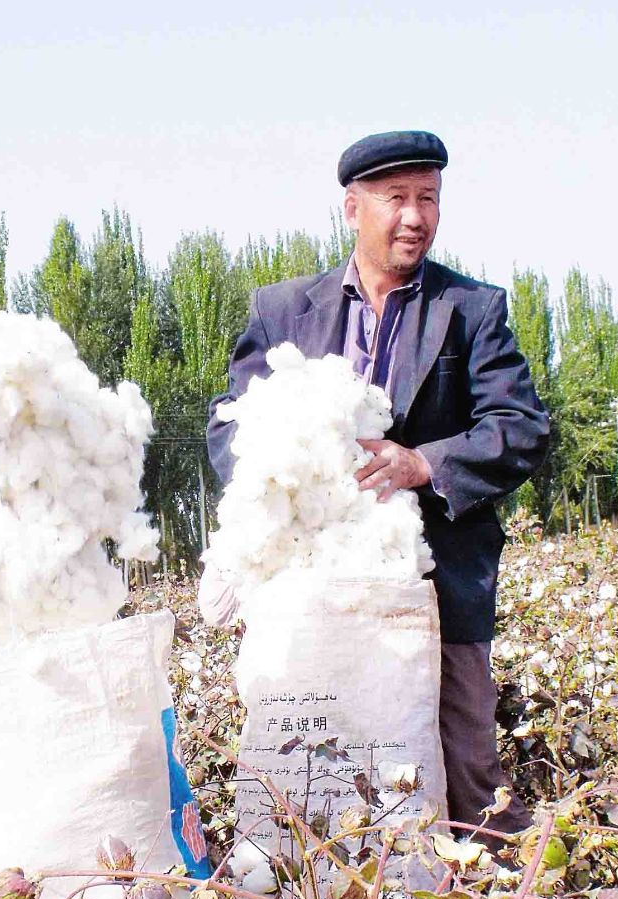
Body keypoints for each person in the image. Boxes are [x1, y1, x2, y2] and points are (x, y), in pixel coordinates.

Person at [206, 130, 551, 845]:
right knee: (314, 767)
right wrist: (288, 477)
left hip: (437, 583)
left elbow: (520, 427)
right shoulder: (282, 310)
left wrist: (421, 464)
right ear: (352, 208)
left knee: (466, 770)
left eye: (429, 199)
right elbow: (229, 428)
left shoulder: (472, 309)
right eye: (397, 199)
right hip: (312, 592)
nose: (415, 216)